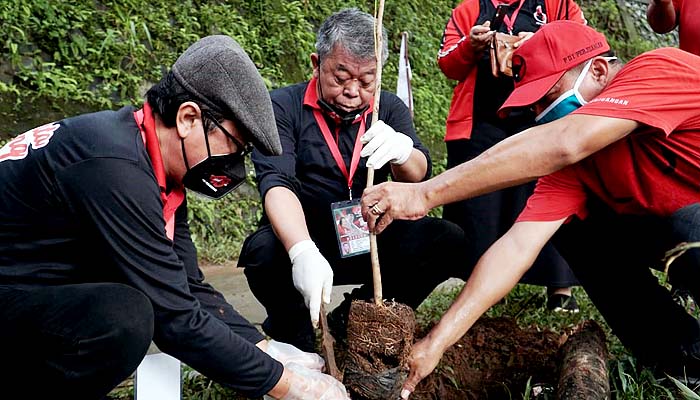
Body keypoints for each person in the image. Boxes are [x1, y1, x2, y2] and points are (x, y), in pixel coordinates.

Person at [360, 21, 700, 398]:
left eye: (548, 96)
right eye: (535, 105)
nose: (541, 112)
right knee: (575, 230)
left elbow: (565, 141)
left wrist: (425, 194)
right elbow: (516, 248)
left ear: (599, 71)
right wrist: (435, 343)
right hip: (675, 232)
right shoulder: (577, 168)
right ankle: (684, 359)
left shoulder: (658, 69)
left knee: (687, 222)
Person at [0, 35, 350, 400]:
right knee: (124, 318)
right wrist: (288, 385)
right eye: (234, 145)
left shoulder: (151, 165)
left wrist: (263, 349)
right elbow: (175, 319)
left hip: (28, 292)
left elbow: (186, 285)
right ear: (187, 118)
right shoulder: (114, 168)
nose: (234, 165)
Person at [239, 8, 468, 353]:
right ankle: (296, 336)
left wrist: (402, 152)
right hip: (307, 235)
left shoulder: (387, 108)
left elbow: (419, 172)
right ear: (316, 64)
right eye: (340, 77)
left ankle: (352, 318)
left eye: (366, 80)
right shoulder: (281, 107)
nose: (353, 91)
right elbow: (276, 184)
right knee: (264, 253)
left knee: (445, 239)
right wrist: (301, 251)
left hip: (370, 234)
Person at [438, 0, 586, 312]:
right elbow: (447, 63)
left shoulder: (559, 5)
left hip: (541, 116)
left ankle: (560, 289)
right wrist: (472, 45)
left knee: (546, 198)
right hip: (482, 120)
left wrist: (540, 41)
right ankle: (484, 289)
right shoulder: (468, 10)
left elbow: (584, 46)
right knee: (480, 207)